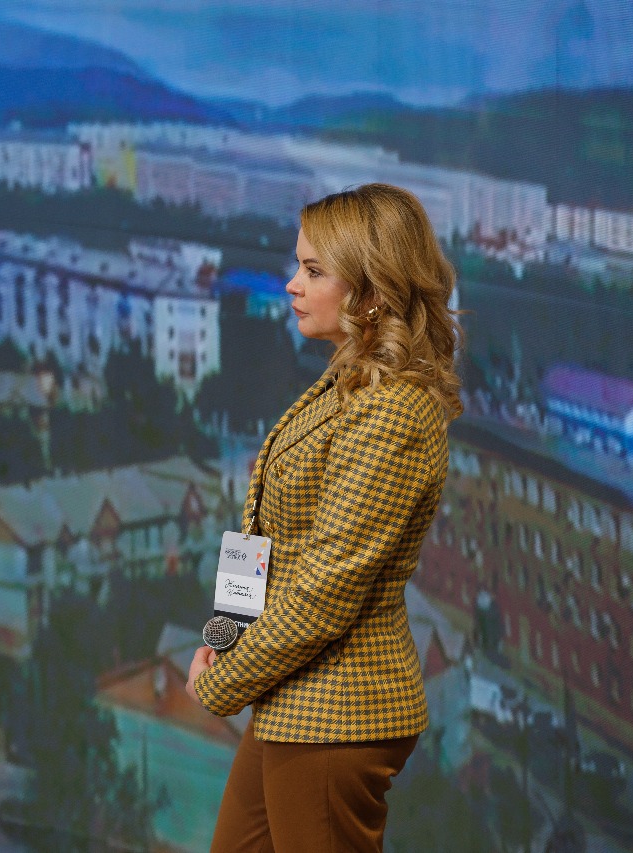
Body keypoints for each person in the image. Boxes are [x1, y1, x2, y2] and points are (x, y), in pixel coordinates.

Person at [186, 183, 463, 852]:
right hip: (295, 699)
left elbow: (323, 592)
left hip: (339, 711)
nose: (291, 284)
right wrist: (224, 632)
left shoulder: (393, 413)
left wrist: (221, 681)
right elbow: (263, 527)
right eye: (297, 265)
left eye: (313, 270)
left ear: (372, 293)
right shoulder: (350, 380)